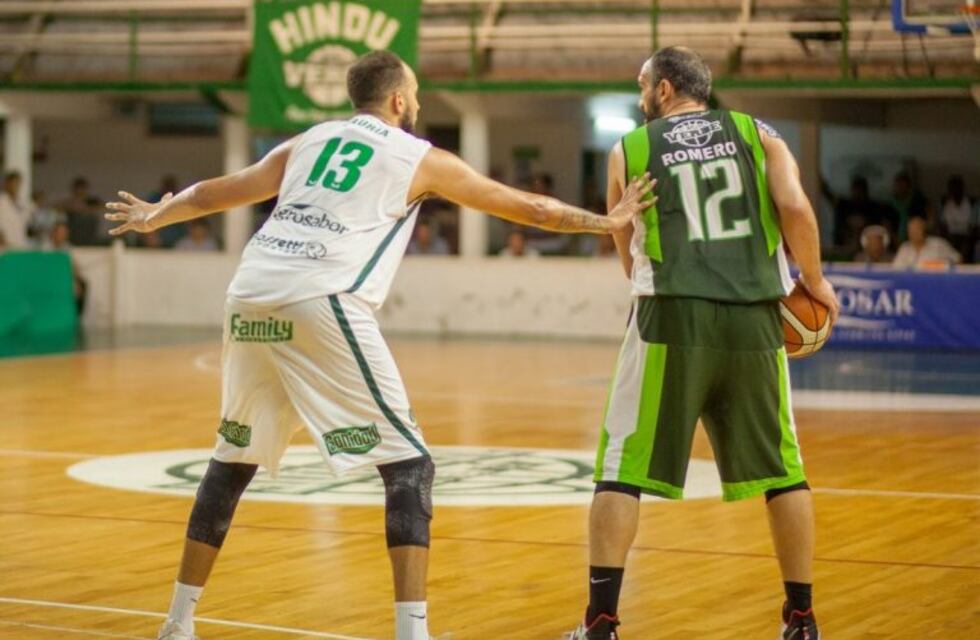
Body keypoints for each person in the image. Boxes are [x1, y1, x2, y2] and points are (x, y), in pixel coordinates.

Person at [103, 50, 652, 640]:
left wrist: (156, 214)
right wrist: (609, 220)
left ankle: (177, 624)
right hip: (322, 297)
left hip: (248, 297)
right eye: (413, 94)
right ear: (397, 100)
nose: (416, 103)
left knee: (230, 463)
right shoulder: (420, 157)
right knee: (410, 467)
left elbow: (215, 193)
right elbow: (529, 207)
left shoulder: (308, 142)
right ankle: (412, 633)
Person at [566, 47, 839, 640]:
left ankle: (601, 623)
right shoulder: (758, 132)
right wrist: (813, 282)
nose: (640, 97)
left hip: (669, 318)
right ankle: (801, 618)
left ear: (663, 90)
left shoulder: (629, 149)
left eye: (643, 86)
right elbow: (794, 206)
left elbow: (624, 247)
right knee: (785, 472)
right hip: (756, 321)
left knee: (620, 471)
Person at [826, 176, 896, 257]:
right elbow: (831, 198)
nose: (858, 193)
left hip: (867, 251)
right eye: (856, 190)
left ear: (865, 191)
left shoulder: (873, 208)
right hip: (844, 249)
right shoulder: (845, 206)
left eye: (860, 190)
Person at [892, 215, 961, 269]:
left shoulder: (939, 244)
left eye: (917, 229)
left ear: (924, 230)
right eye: (912, 230)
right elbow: (896, 269)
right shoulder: (904, 248)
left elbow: (958, 259)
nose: (914, 233)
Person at [938, 175, 976, 262]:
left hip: (967, 237)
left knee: (967, 247)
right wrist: (947, 240)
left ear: (962, 188)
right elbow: (943, 225)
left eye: (957, 188)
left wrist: (968, 239)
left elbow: (974, 227)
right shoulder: (945, 204)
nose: (954, 191)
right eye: (952, 188)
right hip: (951, 237)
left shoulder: (971, 203)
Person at [889, 171, 931, 242]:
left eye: (903, 185)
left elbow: (927, 214)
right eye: (898, 185)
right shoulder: (891, 202)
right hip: (897, 237)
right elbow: (888, 224)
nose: (900, 187)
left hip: (917, 234)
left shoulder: (917, 198)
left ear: (908, 186)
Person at [60, 177, 103, 246]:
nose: (80, 191)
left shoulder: (92, 201)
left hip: (90, 238)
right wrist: (72, 208)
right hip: (73, 238)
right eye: (78, 188)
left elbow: (103, 206)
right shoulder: (69, 203)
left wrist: (86, 209)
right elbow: (59, 207)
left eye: (82, 188)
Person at [0, 171, 29, 249]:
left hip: (19, 245)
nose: (16, 186)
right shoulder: (1, 201)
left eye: (18, 183)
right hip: (4, 247)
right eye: (13, 183)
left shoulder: (21, 203)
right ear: (7, 184)